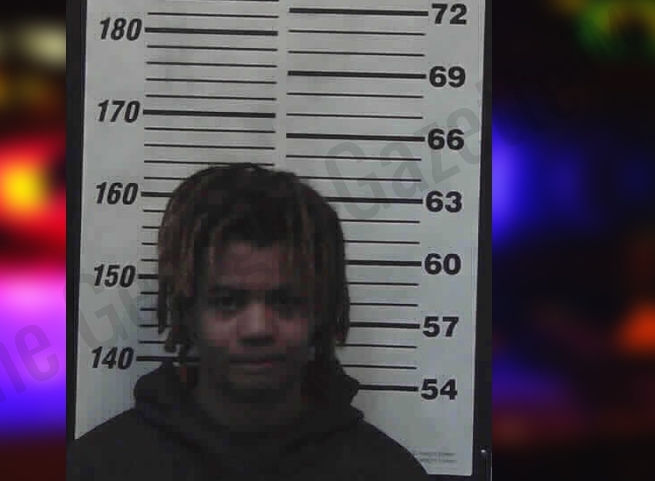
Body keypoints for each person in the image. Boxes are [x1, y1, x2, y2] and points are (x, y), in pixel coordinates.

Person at [67, 163, 430, 480]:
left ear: (320, 310)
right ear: (186, 311)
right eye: (227, 302)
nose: (258, 328)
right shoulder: (99, 469)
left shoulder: (387, 473)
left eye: (285, 302)